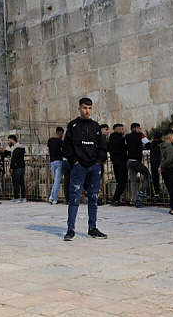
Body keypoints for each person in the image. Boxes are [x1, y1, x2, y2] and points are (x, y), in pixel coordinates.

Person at [62, 98, 108, 241]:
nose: (87, 111)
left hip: (94, 167)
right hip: (79, 167)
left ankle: (92, 228)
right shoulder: (73, 125)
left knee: (93, 198)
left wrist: (98, 162)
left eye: (89, 108)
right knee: (74, 198)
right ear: (79, 109)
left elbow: (102, 147)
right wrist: (75, 162)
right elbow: (67, 147)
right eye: (85, 108)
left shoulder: (95, 126)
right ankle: (71, 229)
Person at [125, 123, 150, 208]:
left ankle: (135, 200)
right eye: (139, 128)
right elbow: (148, 144)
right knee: (148, 176)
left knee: (133, 181)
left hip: (129, 161)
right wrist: (141, 146)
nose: (140, 130)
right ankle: (142, 191)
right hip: (137, 161)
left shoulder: (127, 136)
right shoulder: (141, 135)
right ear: (136, 129)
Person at [108, 124, 128, 206]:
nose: (123, 131)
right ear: (119, 130)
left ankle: (116, 199)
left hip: (115, 161)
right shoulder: (121, 139)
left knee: (119, 180)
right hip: (121, 161)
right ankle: (116, 198)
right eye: (122, 129)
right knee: (122, 180)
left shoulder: (111, 139)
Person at [47, 127, 67, 205]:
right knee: (57, 180)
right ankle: (54, 199)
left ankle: (51, 196)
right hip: (59, 161)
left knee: (56, 180)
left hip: (52, 161)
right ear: (61, 133)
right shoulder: (60, 142)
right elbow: (62, 150)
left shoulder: (50, 140)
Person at [7, 135, 26, 203]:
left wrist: (11, 167)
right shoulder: (20, 148)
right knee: (21, 183)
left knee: (15, 182)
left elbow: (14, 158)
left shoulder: (16, 148)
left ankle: (16, 197)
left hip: (17, 167)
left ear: (12, 140)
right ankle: (23, 197)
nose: (8, 142)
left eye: (9, 140)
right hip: (22, 167)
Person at [148, 131, 163, 197]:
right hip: (160, 163)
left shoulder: (152, 143)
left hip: (153, 163)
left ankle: (156, 193)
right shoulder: (162, 143)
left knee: (155, 178)